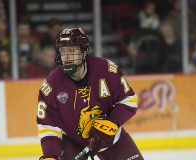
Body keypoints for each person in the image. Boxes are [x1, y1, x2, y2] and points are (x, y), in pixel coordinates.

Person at [37, 28, 143, 160]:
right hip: (72, 141)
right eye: (63, 51)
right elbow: (48, 126)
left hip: (110, 138)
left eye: (71, 50)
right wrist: (50, 155)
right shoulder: (51, 85)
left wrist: (113, 122)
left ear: (84, 51)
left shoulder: (106, 70)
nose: (67, 56)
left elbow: (129, 100)